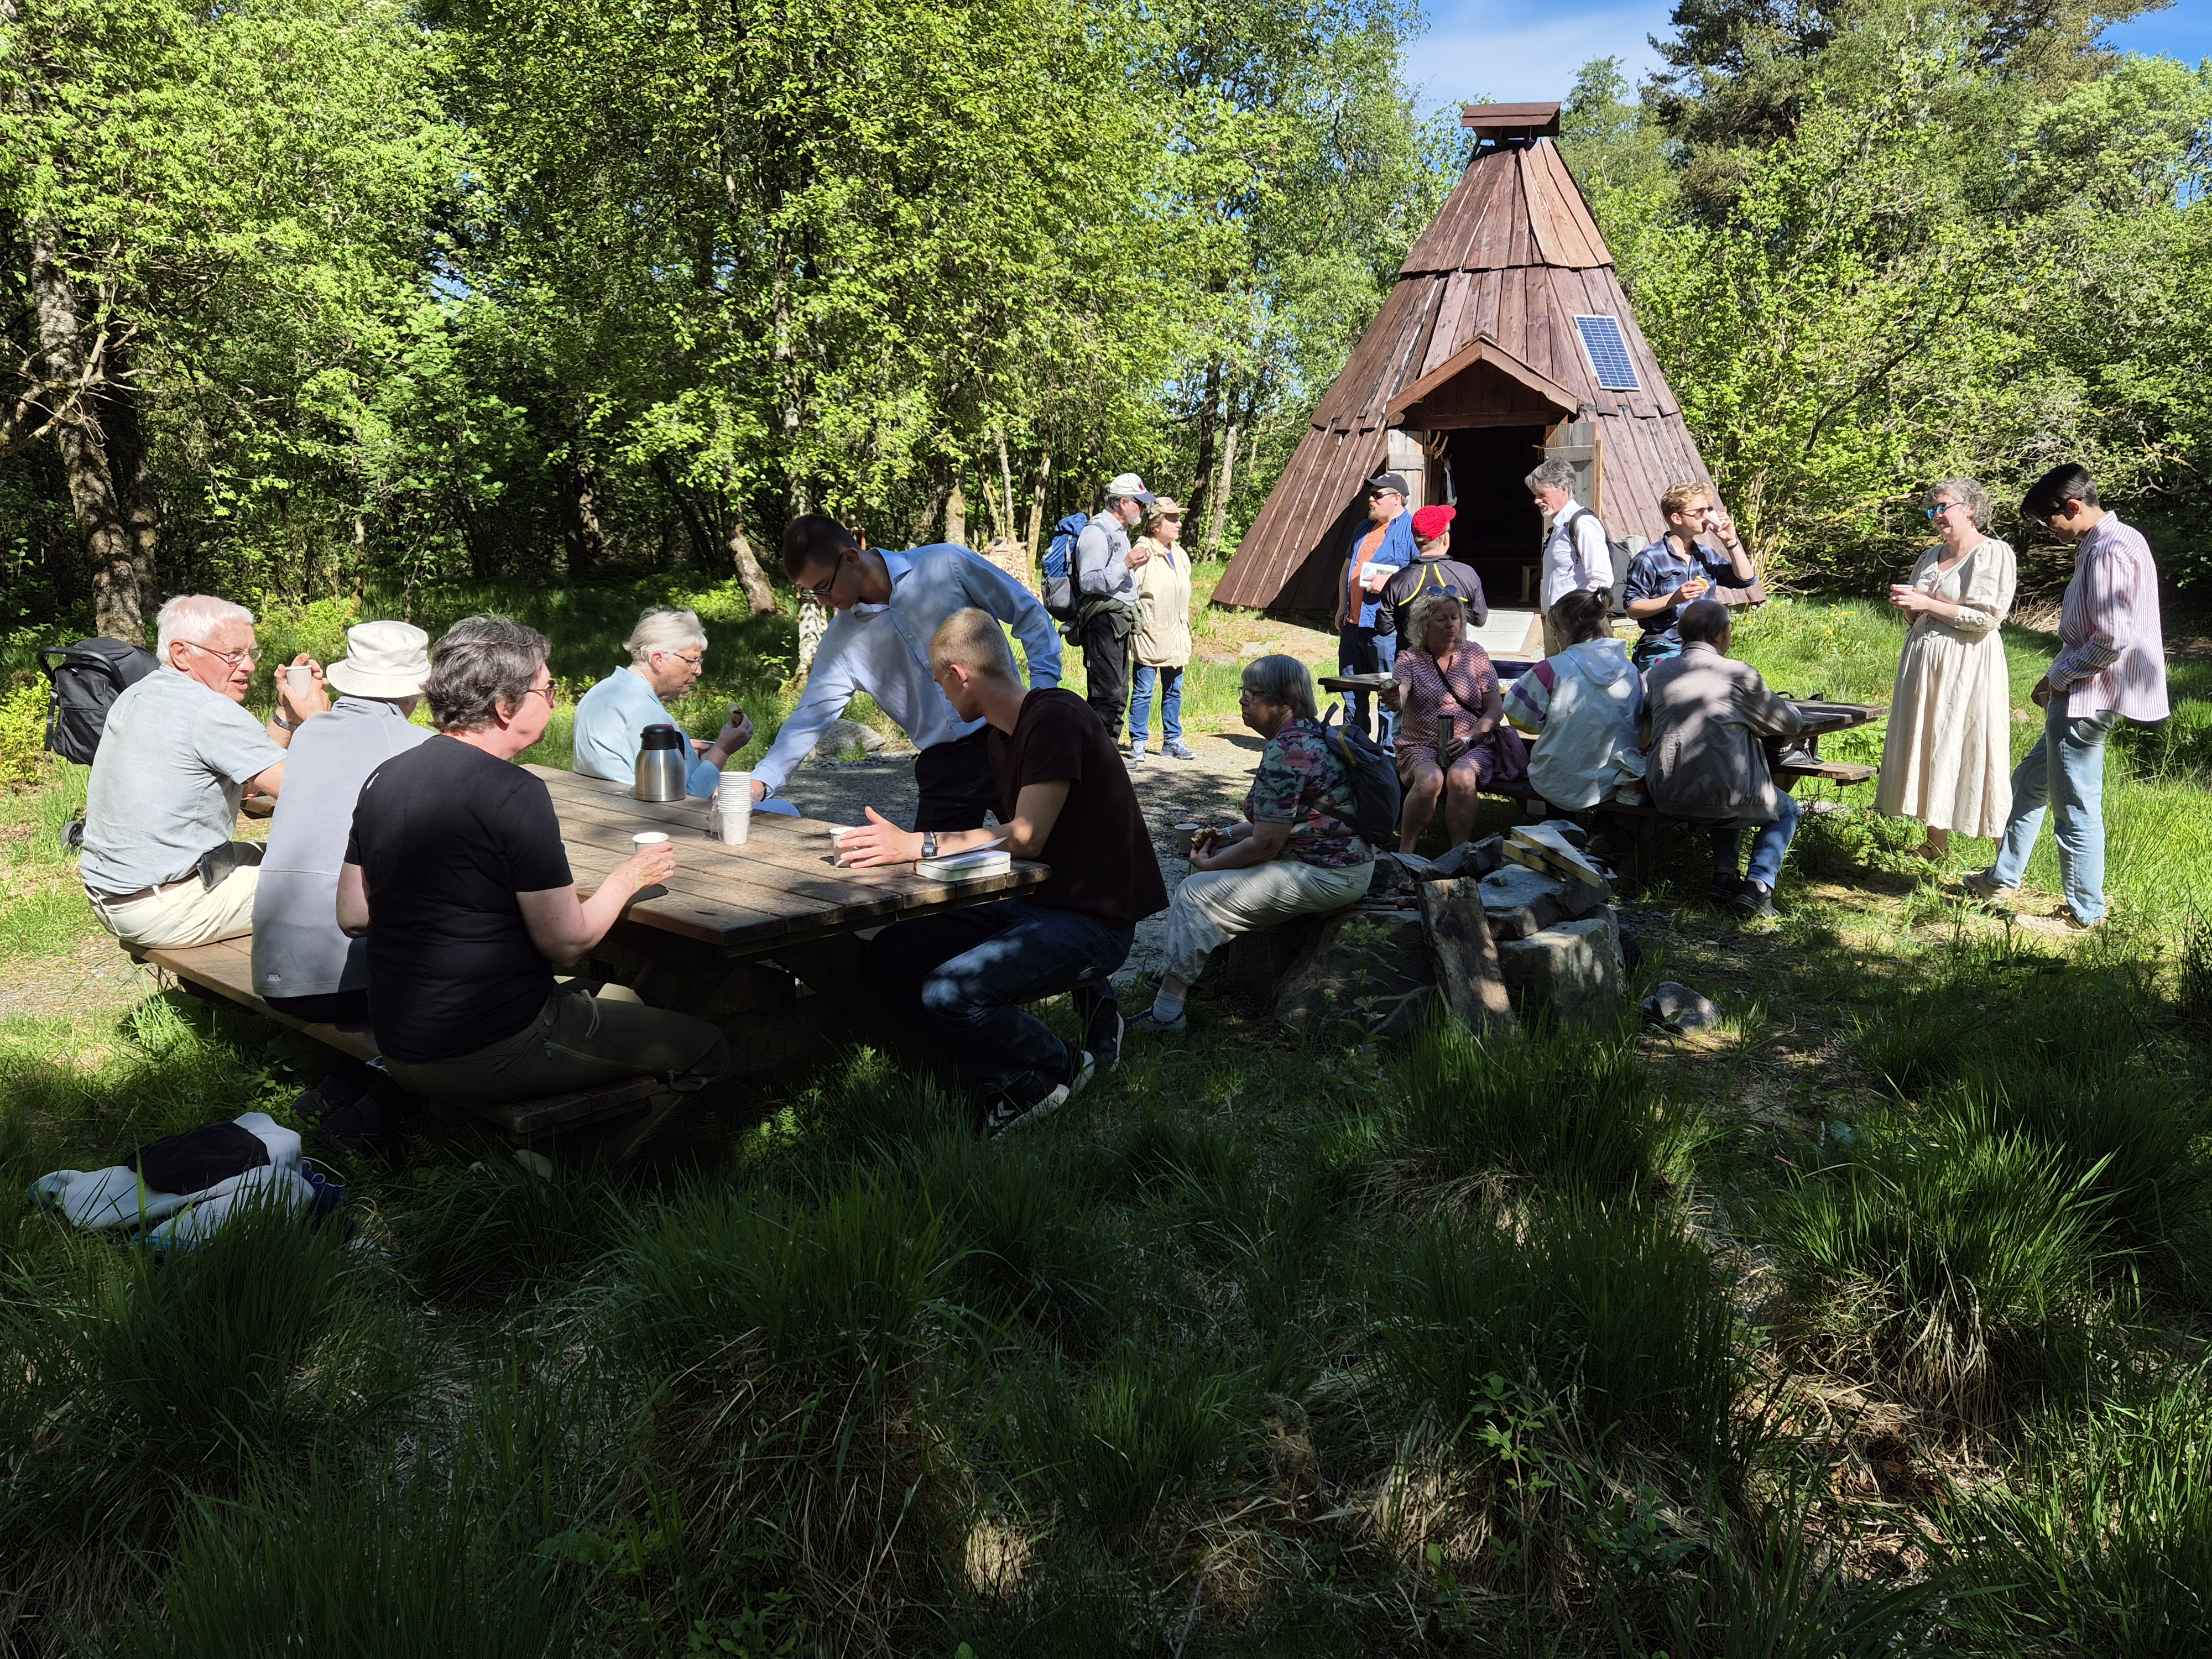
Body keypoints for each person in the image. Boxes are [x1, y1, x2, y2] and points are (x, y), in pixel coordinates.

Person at [337, 617, 729, 1108]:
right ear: (505, 707)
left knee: (626, 999)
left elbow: (354, 915)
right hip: (495, 1046)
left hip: (400, 1041)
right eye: (548, 689)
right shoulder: (514, 792)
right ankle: (581, 1172)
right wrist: (628, 878)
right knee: (707, 1046)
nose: (555, 700)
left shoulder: (386, 776)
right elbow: (567, 944)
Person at [851, 609, 1168, 1135]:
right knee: (892, 951)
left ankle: (1057, 1065)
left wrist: (920, 844)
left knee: (950, 993)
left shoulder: (1055, 717)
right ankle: (994, 1078)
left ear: (960, 674)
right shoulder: (1001, 739)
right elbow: (1009, 845)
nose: (942, 698)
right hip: (1035, 906)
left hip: (1095, 924)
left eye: (939, 684)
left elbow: (1026, 836)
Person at [745, 516, 1065, 831]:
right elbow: (810, 717)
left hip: (1007, 739)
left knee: (1048, 853)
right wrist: (761, 781)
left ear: (852, 558)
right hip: (942, 766)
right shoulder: (840, 643)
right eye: (813, 593)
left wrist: (1040, 699)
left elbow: (1028, 614)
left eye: (824, 587)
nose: (824, 601)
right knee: (929, 874)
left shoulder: (945, 565)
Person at [1965, 463, 2168, 933]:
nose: (2047, 530)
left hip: (2086, 696)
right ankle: (2002, 877)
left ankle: (2085, 911)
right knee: (2031, 782)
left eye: (2047, 521)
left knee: (2075, 806)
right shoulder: (2116, 539)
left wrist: (2058, 678)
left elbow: (2112, 638)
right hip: (2085, 689)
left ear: (2072, 507)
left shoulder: (2108, 552)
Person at [1129, 655, 1375, 1036]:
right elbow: (1281, 822)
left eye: (1253, 694)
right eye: (1242, 691)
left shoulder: (1287, 751)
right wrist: (1225, 837)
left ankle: (1166, 1014)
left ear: (1285, 702)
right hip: (1337, 861)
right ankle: (1203, 975)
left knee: (1195, 892)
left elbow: (1266, 845)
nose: (1243, 700)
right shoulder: (1306, 734)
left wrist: (1215, 866)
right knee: (1205, 866)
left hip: (1330, 872)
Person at [80, 594, 326, 950]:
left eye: (250, 653)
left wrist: (288, 715)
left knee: (289, 855)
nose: (250, 667)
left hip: (117, 893)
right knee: (344, 879)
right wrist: (320, 720)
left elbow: (250, 780)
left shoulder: (140, 693)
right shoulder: (207, 710)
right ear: (182, 654)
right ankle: (334, 995)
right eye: (234, 655)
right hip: (169, 905)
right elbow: (316, 794)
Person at [252, 620, 434, 1023]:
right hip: (346, 985)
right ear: (418, 688)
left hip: (275, 972)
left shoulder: (310, 734)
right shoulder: (420, 748)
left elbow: (254, 793)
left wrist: (297, 713)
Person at [1874, 479, 2018, 862]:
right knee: (1932, 743)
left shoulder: (1993, 553)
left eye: (1944, 507)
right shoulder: (1929, 557)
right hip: (1924, 663)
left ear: (1970, 508)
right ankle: (1935, 842)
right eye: (1932, 510)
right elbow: (1917, 616)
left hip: (1968, 665)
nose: (1937, 516)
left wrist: (1926, 602)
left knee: (1974, 743)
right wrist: (1909, 605)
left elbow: (1985, 618)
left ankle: (2004, 857)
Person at [1644, 599, 1811, 921]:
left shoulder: (1658, 672)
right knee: (1783, 807)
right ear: (1722, 634)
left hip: (1663, 792)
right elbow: (1787, 724)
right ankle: (1759, 886)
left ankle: (1724, 877)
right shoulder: (1738, 674)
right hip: (1721, 796)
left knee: (1725, 780)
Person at [571, 607, 793, 813]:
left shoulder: (603, 691)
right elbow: (689, 798)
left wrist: (684, 748)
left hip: (602, 805)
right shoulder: (644, 709)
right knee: (784, 811)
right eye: (692, 661)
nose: (699, 671)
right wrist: (722, 750)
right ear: (658, 659)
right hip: (644, 817)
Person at [1381, 592, 1527, 852]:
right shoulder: (1410, 658)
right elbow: (1400, 695)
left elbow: (1495, 710)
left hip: (1471, 742)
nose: (1451, 624)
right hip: (1420, 743)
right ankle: (1406, 853)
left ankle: (1460, 852)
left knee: (1462, 777)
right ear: (1424, 624)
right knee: (1429, 779)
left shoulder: (1475, 654)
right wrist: (1394, 698)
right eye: (1442, 619)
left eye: (1455, 617)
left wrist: (1469, 739)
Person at [1504, 587, 1648, 811]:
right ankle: (1604, 831)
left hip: (1557, 780)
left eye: (1556, 631)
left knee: (1553, 773)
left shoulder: (1552, 669)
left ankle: (1554, 831)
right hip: (1614, 781)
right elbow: (1642, 724)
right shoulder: (1631, 671)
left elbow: (1518, 716)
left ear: (1567, 630)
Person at [1623, 482, 1760, 669]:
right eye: (1699, 512)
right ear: (1677, 518)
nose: (1706, 517)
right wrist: (1674, 599)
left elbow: (1745, 579)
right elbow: (1632, 608)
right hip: (1664, 647)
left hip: (1705, 648)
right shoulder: (1649, 558)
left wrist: (1731, 541)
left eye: (1708, 510)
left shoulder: (1706, 555)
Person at [1335, 472, 1416, 737]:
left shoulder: (1412, 529)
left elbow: (1419, 574)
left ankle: (1389, 753)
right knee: (1350, 688)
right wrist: (1342, 606)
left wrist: (1390, 580)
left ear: (1397, 499)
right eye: (1371, 494)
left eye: (1377, 495)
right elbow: (1348, 567)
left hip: (1385, 628)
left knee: (1388, 692)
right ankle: (1354, 745)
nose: (1371, 499)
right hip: (1353, 623)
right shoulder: (1363, 528)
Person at [1074, 473, 1153, 739]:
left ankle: (1109, 754)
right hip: (1102, 623)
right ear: (1122, 503)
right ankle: (1096, 759)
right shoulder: (1096, 532)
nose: (1143, 509)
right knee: (1105, 693)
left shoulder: (1120, 532)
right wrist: (1127, 564)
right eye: (1139, 503)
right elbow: (1088, 581)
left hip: (1117, 623)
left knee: (1119, 692)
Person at [1127, 496, 1196, 763]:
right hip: (1150, 635)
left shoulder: (1179, 553)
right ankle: (1139, 742)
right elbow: (1130, 593)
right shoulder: (1143, 551)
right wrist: (1140, 625)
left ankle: (1172, 740)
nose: (1178, 524)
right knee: (1144, 690)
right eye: (1172, 519)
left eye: (1178, 518)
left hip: (1177, 634)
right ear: (1156, 524)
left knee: (1174, 690)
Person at [1526, 460, 1613, 655]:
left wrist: (1576, 618)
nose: (1537, 501)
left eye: (1542, 495)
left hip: (1577, 628)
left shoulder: (1583, 524)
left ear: (1563, 490)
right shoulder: (1559, 527)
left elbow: (1602, 580)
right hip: (1558, 625)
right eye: (1536, 495)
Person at [1374, 503, 1487, 643]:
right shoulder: (1466, 574)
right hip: (1453, 660)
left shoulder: (1399, 580)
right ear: (1445, 539)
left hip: (1412, 661)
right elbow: (1479, 619)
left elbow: (1384, 627)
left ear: (1416, 542)